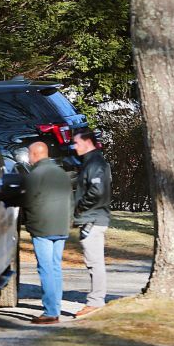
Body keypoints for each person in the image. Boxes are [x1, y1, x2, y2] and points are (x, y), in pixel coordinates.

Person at [23, 141, 73, 325]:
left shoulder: (34, 175)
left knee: (45, 269)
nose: (28, 157)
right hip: (60, 226)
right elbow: (71, 199)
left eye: (29, 154)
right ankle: (55, 307)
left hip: (42, 226)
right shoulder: (61, 173)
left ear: (36, 154)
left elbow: (27, 200)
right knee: (55, 267)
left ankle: (51, 311)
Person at [72, 127, 112, 318]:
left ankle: (96, 301)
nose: (74, 146)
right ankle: (96, 299)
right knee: (93, 262)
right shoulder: (91, 162)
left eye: (77, 142)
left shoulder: (95, 163)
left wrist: (80, 207)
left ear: (87, 142)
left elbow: (97, 191)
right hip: (92, 217)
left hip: (93, 218)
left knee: (95, 262)